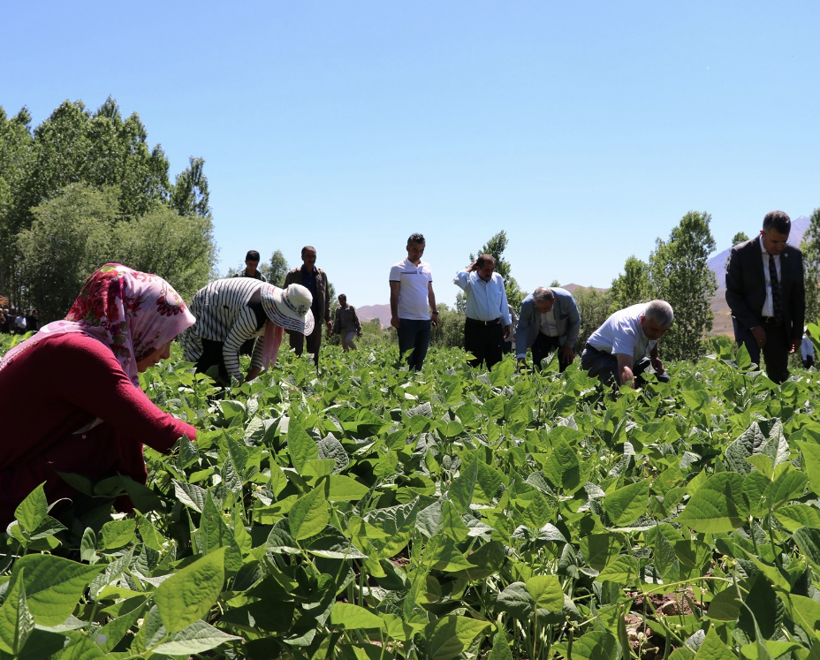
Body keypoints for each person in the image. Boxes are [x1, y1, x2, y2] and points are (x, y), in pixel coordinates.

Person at [0, 263, 197, 524]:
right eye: (165, 337)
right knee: (111, 434)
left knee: (114, 427)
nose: (166, 354)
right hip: (6, 490)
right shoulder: (79, 350)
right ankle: (125, 516)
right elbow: (160, 431)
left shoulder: (72, 338)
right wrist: (222, 448)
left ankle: (127, 512)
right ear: (139, 320)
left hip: (12, 475)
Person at [183, 278, 314, 385]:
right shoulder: (254, 312)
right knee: (210, 371)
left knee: (224, 374)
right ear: (285, 314)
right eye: (293, 321)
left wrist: (250, 381)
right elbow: (230, 348)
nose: (293, 326)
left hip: (228, 308)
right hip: (211, 304)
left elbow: (262, 349)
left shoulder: (272, 314)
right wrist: (239, 385)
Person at [725, 211, 805, 384]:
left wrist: (796, 334)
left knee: (779, 379)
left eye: (784, 242)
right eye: (775, 241)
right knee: (749, 376)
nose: (779, 247)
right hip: (748, 323)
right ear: (763, 233)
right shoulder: (742, 253)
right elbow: (733, 294)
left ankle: (776, 411)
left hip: (778, 326)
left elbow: (798, 299)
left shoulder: (793, 256)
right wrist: (753, 325)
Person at [581, 300, 674, 388]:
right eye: (654, 330)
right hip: (597, 357)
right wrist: (630, 400)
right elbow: (624, 367)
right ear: (642, 320)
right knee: (621, 386)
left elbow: (654, 337)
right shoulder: (627, 329)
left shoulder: (655, 313)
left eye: (663, 331)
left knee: (662, 381)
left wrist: (654, 356)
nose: (658, 335)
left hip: (632, 358)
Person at [390, 233, 438, 370]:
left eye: (421, 250)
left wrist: (434, 312)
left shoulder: (427, 267)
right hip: (406, 320)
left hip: (424, 320)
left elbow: (430, 291)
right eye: (415, 250)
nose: (418, 253)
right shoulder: (397, 268)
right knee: (406, 360)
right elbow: (394, 293)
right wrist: (394, 316)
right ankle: (403, 389)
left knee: (419, 360)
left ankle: (416, 390)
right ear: (407, 248)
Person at [453, 255, 511, 369]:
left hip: (494, 327)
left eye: (492, 269)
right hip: (475, 329)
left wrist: (507, 323)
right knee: (472, 365)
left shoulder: (498, 279)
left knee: (495, 366)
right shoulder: (470, 280)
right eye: (486, 270)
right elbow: (457, 279)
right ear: (478, 268)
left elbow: (503, 301)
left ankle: (495, 387)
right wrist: (470, 268)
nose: (489, 273)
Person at [283, 246, 332, 366]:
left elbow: (326, 299)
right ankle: (295, 379)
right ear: (302, 257)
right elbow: (284, 297)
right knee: (296, 351)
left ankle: (312, 379)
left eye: (313, 256)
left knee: (314, 352)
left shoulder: (322, 275)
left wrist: (328, 318)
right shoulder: (293, 274)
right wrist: (284, 320)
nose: (311, 259)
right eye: (308, 256)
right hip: (297, 317)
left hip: (315, 317)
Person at [516, 287, 581, 372]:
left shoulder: (566, 299)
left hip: (563, 336)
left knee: (567, 369)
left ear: (553, 300)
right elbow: (522, 329)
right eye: (539, 309)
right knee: (538, 369)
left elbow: (575, 322)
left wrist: (569, 345)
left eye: (546, 308)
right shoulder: (527, 304)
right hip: (541, 334)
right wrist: (521, 357)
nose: (542, 311)